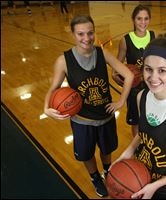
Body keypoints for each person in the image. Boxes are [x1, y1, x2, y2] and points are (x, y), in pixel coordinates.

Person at [43, 15, 134, 197]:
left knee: (106, 150)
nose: (86, 38)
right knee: (86, 154)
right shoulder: (64, 60)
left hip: (105, 116)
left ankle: (107, 171)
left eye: (90, 33)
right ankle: (95, 177)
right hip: (82, 119)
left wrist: (121, 101)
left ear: (94, 32)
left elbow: (129, 76)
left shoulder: (103, 53)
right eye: (81, 34)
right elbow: (53, 88)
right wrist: (46, 108)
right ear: (73, 34)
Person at [111, 32, 166, 199]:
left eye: (162, 70)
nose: (153, 78)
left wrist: (156, 185)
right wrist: (128, 152)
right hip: (143, 179)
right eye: (148, 69)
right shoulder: (142, 97)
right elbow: (143, 133)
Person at [112, 4, 155, 137]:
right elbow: (116, 67)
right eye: (139, 19)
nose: (143, 22)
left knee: (152, 119)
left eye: (146, 18)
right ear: (133, 20)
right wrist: (116, 76)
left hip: (152, 87)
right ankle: (138, 148)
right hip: (134, 90)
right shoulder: (125, 40)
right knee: (136, 122)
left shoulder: (154, 36)